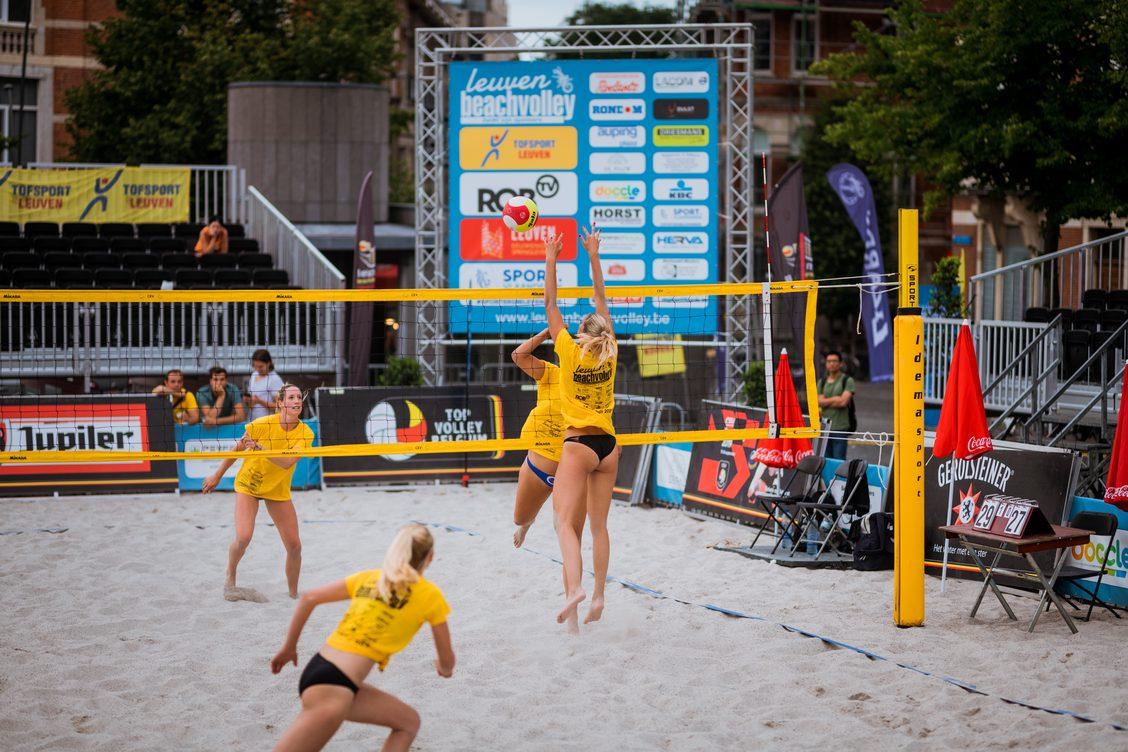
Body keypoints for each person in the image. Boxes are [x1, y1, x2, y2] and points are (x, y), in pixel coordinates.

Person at [269, 524, 455, 752]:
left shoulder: (370, 578)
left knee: (408, 722)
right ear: (431, 557)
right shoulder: (429, 594)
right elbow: (447, 660)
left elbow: (309, 598)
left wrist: (289, 648)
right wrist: (445, 669)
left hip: (323, 671)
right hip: (333, 687)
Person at [543, 226, 619, 630]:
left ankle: (574, 590)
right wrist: (592, 254)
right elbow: (600, 298)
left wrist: (552, 257)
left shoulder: (569, 351)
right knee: (598, 527)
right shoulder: (610, 349)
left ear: (580, 335)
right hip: (608, 444)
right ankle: (598, 596)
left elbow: (550, 302)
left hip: (578, 444)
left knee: (563, 525)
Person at [203, 384, 314, 601]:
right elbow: (236, 450)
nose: (297, 401)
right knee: (243, 537)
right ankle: (230, 576)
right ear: (280, 403)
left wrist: (262, 449)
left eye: (299, 397)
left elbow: (287, 462)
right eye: (291, 397)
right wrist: (217, 475)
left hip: (276, 489)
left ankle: (293, 594)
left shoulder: (305, 433)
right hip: (250, 485)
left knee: (295, 546)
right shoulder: (261, 424)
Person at [510, 327, 567, 549]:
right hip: (539, 465)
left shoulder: (588, 382)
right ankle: (526, 526)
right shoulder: (551, 372)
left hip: (573, 468)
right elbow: (518, 356)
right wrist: (545, 335)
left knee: (564, 529)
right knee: (521, 518)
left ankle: (573, 581)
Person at [817, 350, 856, 461]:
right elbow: (818, 401)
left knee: (839, 460)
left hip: (840, 428)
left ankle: (838, 479)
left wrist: (826, 401)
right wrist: (836, 398)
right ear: (825, 364)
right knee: (825, 461)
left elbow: (843, 402)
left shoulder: (847, 380)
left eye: (834, 361)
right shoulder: (822, 381)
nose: (832, 364)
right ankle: (829, 479)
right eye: (829, 361)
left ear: (841, 363)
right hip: (824, 428)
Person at [246, 348, 285, 422]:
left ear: (269, 363)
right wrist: (248, 400)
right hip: (252, 422)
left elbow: (280, 406)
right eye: (255, 366)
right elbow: (252, 400)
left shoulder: (274, 379)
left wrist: (260, 401)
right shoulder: (254, 374)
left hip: (268, 424)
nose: (257, 369)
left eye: (261, 366)